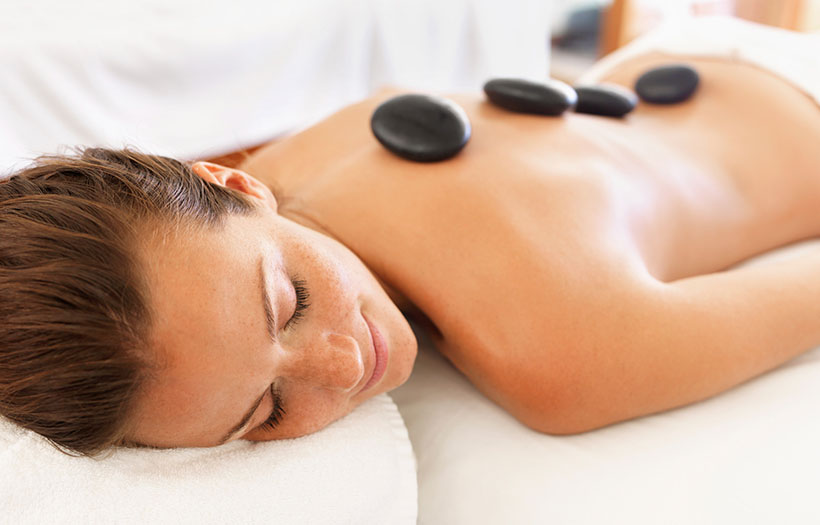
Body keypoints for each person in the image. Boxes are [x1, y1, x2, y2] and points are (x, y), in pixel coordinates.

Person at [2, 19, 820, 456]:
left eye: (290, 304)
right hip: (692, 68)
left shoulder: (554, 353)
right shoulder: (290, 162)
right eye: (267, 411)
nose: (343, 364)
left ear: (233, 182)